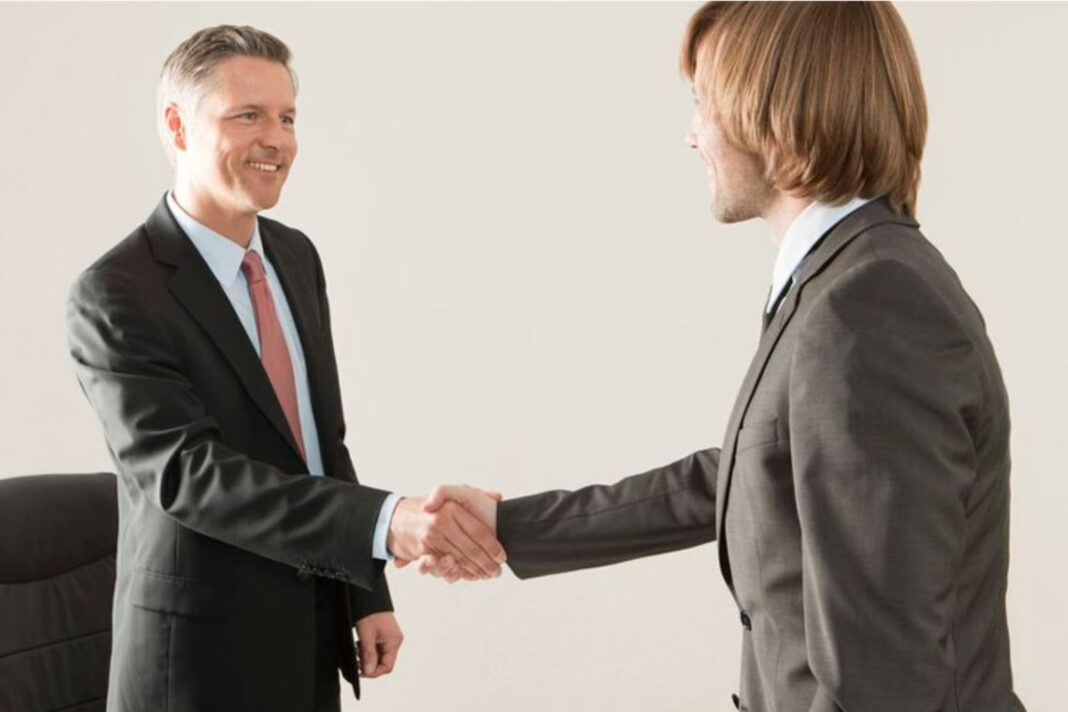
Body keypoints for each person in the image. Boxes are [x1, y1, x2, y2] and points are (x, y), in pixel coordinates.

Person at [411, 3, 1027, 711]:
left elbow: (884, 678)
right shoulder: (844, 279)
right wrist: (511, 527)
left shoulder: (869, 303)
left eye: (701, 100)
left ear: (773, 107)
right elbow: (747, 472)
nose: (690, 133)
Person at [65, 25, 505, 712]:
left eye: (288, 118)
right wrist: (386, 524)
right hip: (195, 660)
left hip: (306, 633)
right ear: (178, 126)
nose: (277, 140)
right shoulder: (116, 292)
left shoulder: (295, 257)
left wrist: (364, 592)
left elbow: (320, 443)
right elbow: (189, 475)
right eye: (248, 115)